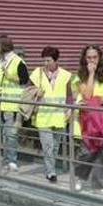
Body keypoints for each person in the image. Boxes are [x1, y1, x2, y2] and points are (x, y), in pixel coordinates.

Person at [0, 34, 30, 171]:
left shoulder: (18, 61)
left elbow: (25, 81)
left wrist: (11, 76)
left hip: (11, 104)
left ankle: (11, 160)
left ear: (2, 46)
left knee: (11, 135)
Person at [72, 45, 103, 197]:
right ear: (84, 59)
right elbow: (87, 94)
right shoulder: (79, 76)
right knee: (86, 152)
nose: (92, 60)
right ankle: (80, 177)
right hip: (87, 120)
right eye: (89, 57)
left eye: (95, 57)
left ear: (100, 58)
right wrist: (90, 74)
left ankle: (102, 184)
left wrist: (93, 102)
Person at [30, 46, 73, 183]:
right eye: (44, 60)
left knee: (55, 147)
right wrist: (36, 90)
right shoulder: (37, 73)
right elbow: (27, 89)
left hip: (59, 117)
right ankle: (51, 172)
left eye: (48, 60)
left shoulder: (66, 75)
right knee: (47, 146)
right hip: (43, 117)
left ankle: (50, 167)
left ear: (56, 60)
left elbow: (69, 95)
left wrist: (69, 110)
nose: (45, 63)